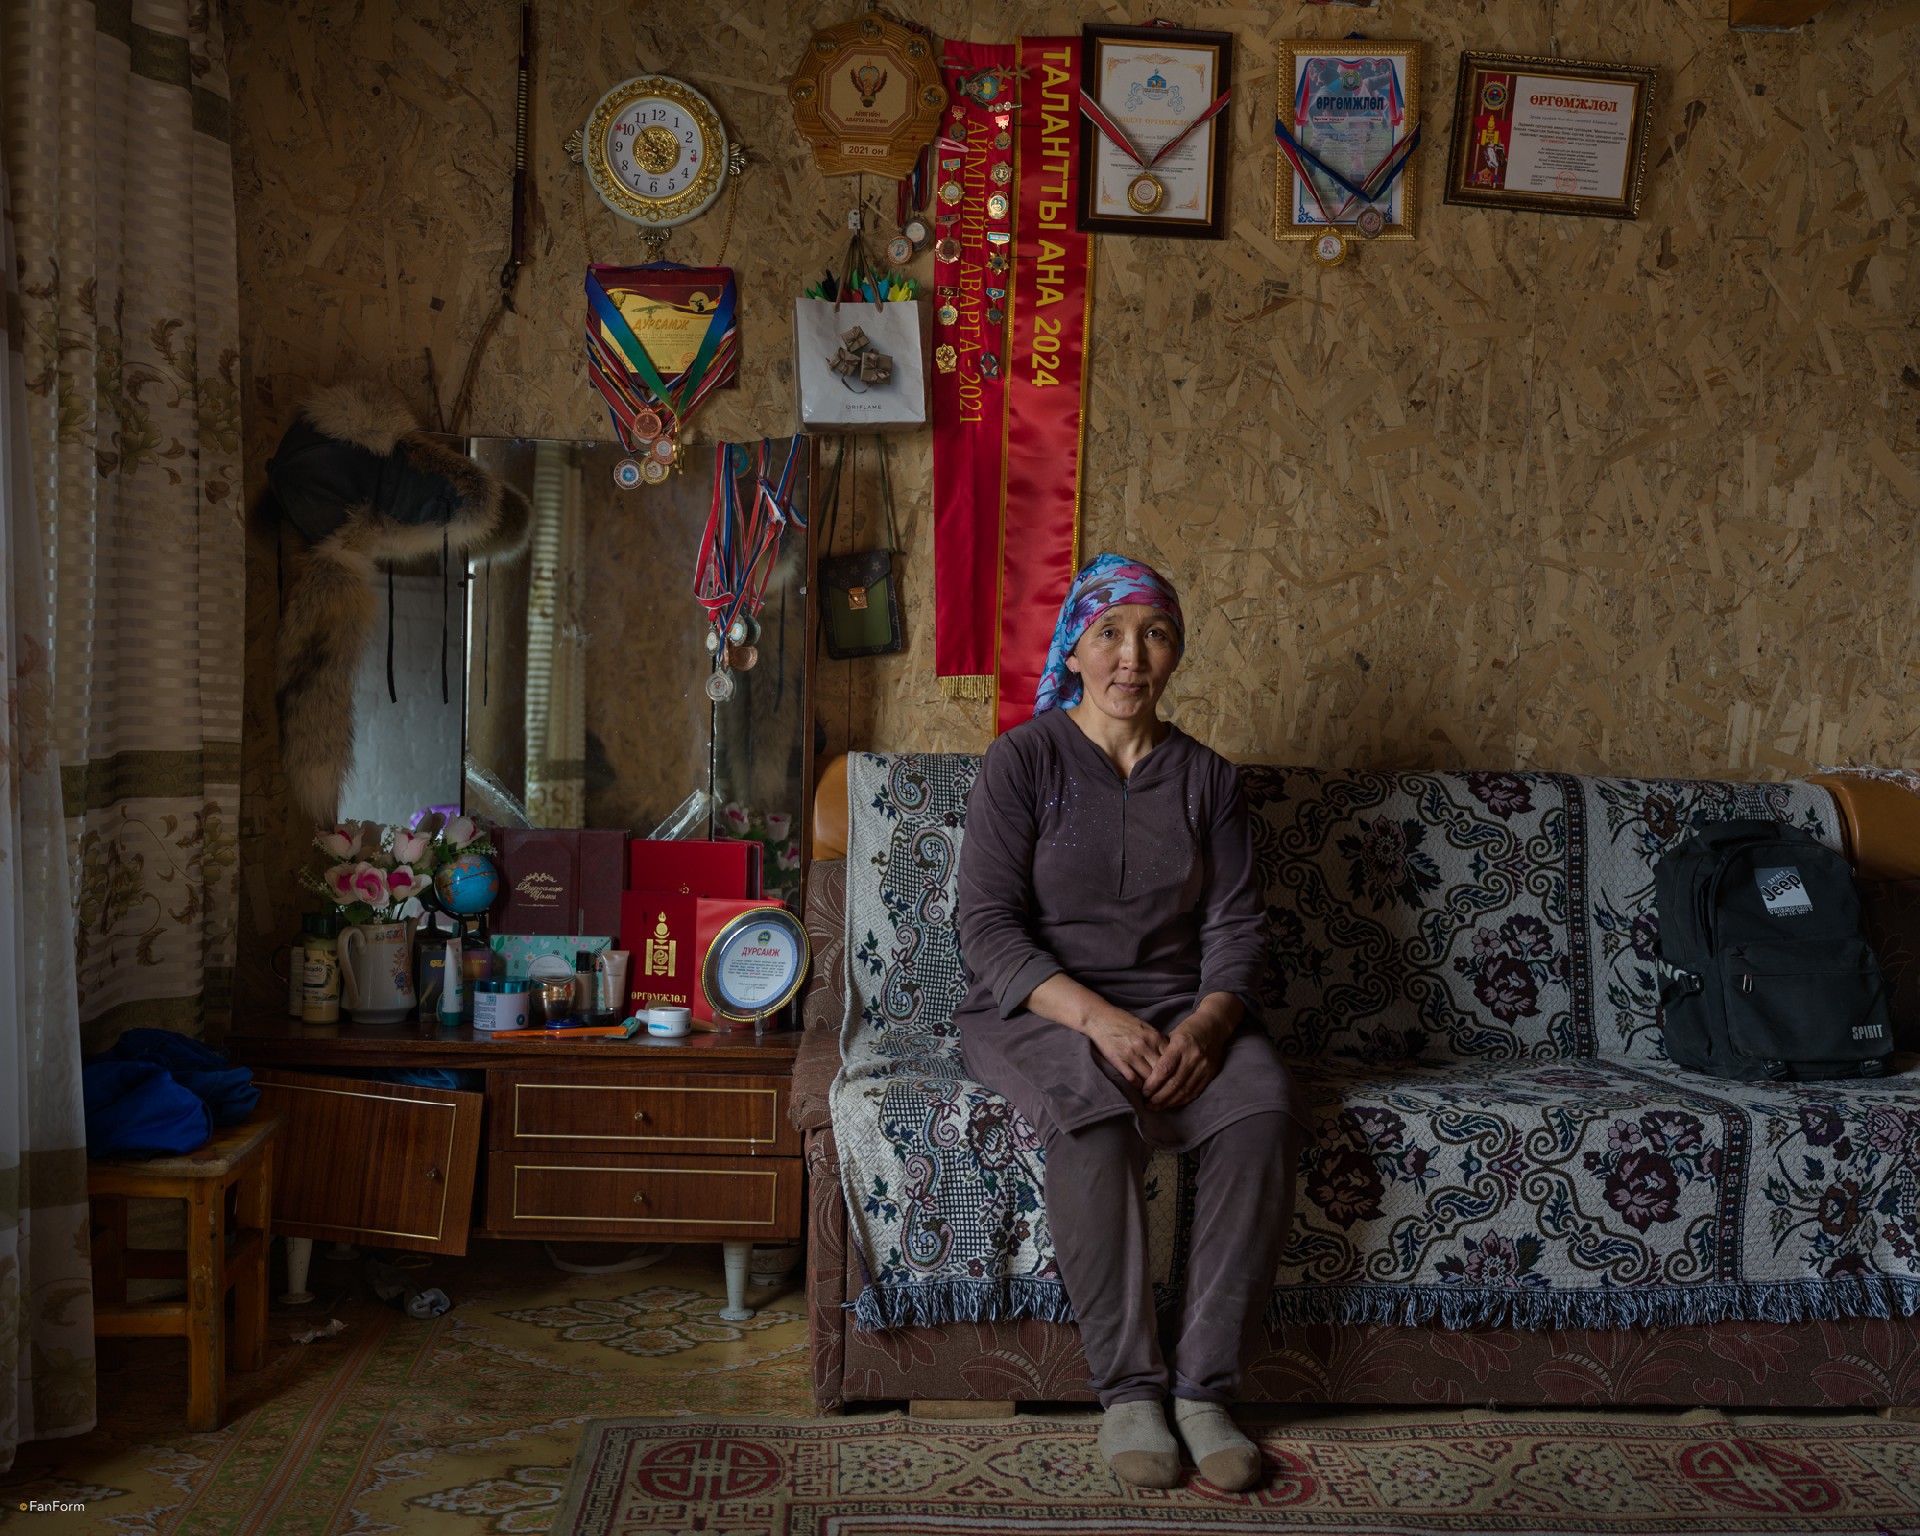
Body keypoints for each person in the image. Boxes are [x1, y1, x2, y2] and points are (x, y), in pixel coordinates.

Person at [953, 553, 1300, 1492]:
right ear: (1074, 648)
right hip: (1040, 1007)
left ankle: (1203, 1393)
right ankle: (1131, 1394)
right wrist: (1098, 1021)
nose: (1131, 657)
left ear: (1176, 653)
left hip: (1180, 1011)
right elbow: (986, 928)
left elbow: (1235, 928)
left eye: (1155, 635)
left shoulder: (1207, 779)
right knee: (1095, 1123)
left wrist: (1210, 1028)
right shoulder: (1023, 762)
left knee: (1262, 1109)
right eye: (1109, 633)